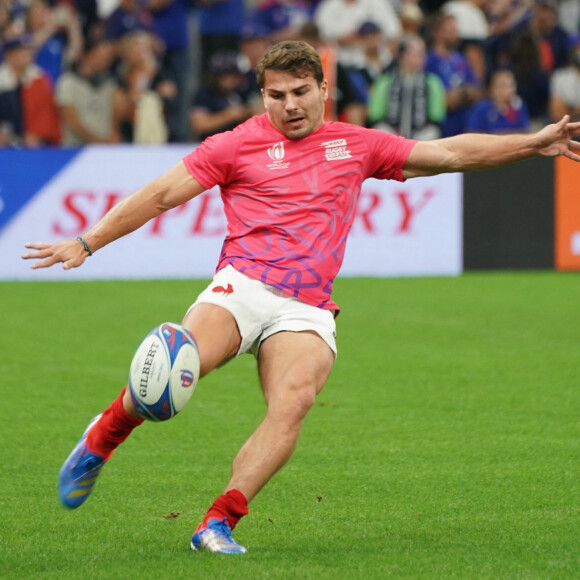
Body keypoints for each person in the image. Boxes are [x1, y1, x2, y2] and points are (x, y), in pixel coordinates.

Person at [22, 40, 580, 555]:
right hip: (240, 286)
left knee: (293, 403)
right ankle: (102, 438)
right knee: (170, 370)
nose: (290, 105)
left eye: (300, 92)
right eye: (277, 95)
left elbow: (450, 152)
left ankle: (217, 522)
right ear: (263, 95)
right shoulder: (236, 143)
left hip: (306, 307)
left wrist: (533, 143)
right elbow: (163, 193)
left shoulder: (356, 145)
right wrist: (87, 241)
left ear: (322, 89)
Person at [367, 34, 446, 140]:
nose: (422, 59)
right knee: (380, 129)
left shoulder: (432, 82)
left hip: (422, 134)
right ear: (403, 56)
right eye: (417, 55)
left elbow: (437, 115)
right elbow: (375, 114)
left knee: (431, 132)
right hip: (391, 132)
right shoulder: (385, 81)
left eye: (422, 55)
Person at [0, 34, 61, 146]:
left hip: (32, 141)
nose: (28, 56)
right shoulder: (1, 79)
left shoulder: (39, 77)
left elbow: (46, 113)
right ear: (9, 55)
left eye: (29, 52)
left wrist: (39, 134)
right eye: (22, 52)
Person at [466, 68, 530, 134]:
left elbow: (524, 131)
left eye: (511, 85)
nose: (508, 90)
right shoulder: (481, 109)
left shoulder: (518, 105)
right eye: (503, 86)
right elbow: (471, 134)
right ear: (492, 88)